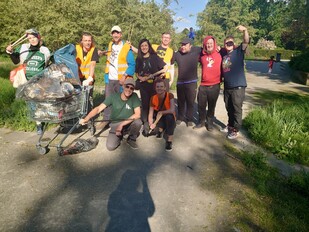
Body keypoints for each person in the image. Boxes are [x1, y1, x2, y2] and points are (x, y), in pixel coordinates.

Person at [6, 28, 51, 135]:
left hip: (41, 81)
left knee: (42, 101)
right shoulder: (23, 48)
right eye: (30, 38)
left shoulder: (45, 50)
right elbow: (16, 61)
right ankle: (39, 124)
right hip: (27, 80)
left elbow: (49, 63)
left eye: (34, 37)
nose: (32, 40)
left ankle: (45, 118)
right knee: (32, 103)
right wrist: (10, 52)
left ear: (38, 37)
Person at [79, 78, 142, 150]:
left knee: (138, 122)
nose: (129, 89)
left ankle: (131, 139)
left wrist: (121, 125)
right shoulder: (113, 97)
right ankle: (120, 136)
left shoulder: (134, 96)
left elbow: (138, 114)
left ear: (133, 89)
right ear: (123, 86)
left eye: (131, 88)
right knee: (110, 146)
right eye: (127, 86)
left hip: (128, 122)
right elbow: (98, 108)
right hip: (116, 123)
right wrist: (86, 118)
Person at [100, 25, 135, 129]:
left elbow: (132, 65)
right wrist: (100, 52)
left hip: (121, 79)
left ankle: (121, 122)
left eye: (117, 33)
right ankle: (106, 120)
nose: (115, 35)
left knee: (121, 101)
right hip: (109, 78)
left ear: (121, 34)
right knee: (108, 100)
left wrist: (124, 77)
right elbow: (107, 56)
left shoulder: (126, 47)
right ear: (111, 34)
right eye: (113, 33)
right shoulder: (110, 45)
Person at [221, 25, 250, 139]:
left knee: (236, 109)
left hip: (238, 87)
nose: (228, 45)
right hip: (227, 87)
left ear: (233, 44)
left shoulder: (238, 52)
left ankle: (236, 129)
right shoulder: (225, 55)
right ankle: (230, 125)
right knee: (229, 108)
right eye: (226, 43)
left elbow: (246, 41)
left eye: (230, 43)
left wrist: (245, 31)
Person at [135, 39, 167, 135]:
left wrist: (153, 75)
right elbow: (136, 72)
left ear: (149, 46)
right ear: (140, 48)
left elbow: (165, 68)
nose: (144, 47)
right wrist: (140, 77)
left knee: (155, 104)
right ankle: (145, 122)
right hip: (143, 85)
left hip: (154, 85)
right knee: (145, 104)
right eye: (142, 46)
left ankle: (156, 122)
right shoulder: (139, 58)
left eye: (146, 45)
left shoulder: (155, 57)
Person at [194, 36, 222, 131]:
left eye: (211, 43)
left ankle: (209, 123)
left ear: (214, 44)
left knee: (211, 106)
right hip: (203, 85)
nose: (209, 45)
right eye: (207, 43)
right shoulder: (201, 55)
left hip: (215, 85)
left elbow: (231, 49)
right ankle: (201, 122)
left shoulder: (220, 54)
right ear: (205, 45)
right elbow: (193, 51)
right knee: (201, 105)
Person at [174, 38, 201, 127]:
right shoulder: (177, 54)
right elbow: (168, 61)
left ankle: (189, 118)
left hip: (192, 82)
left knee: (190, 102)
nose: (183, 46)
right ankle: (180, 117)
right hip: (180, 82)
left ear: (190, 45)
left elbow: (207, 49)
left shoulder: (196, 51)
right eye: (182, 44)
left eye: (185, 45)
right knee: (181, 101)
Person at [148, 79, 176, 151]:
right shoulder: (153, 98)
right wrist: (151, 124)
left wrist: (162, 112)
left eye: (161, 86)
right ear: (155, 88)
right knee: (146, 130)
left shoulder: (170, 95)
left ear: (165, 88)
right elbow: (150, 113)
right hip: (158, 116)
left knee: (169, 117)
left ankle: (169, 140)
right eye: (157, 86)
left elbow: (172, 109)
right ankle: (160, 130)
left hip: (169, 115)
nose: (159, 88)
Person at [75, 32, 100, 112]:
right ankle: (77, 117)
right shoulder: (76, 48)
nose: (88, 42)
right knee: (76, 98)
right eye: (85, 40)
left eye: (89, 40)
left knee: (88, 99)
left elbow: (92, 64)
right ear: (81, 41)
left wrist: (89, 79)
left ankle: (89, 119)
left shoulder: (93, 49)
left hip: (88, 78)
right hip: (77, 77)